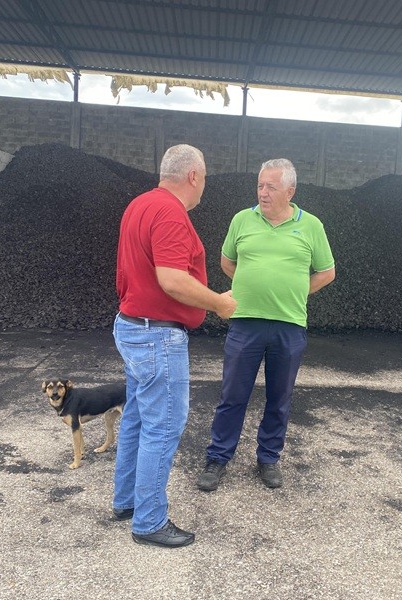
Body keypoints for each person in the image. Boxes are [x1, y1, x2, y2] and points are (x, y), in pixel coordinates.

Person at [112, 144, 236, 548]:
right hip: (157, 336)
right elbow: (172, 279)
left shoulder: (141, 204)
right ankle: (149, 522)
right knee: (162, 426)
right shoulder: (170, 212)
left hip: (132, 326)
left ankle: (126, 501)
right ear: (194, 176)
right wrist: (219, 303)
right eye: (205, 179)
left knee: (136, 418)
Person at [196, 158, 335, 492]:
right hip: (245, 324)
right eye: (260, 185)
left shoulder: (311, 225)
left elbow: (326, 272)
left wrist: (294, 292)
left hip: (288, 326)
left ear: (290, 190)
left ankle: (268, 458)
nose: (263, 192)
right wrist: (251, 287)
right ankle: (218, 457)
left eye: (271, 186)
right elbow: (227, 261)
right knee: (232, 395)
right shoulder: (243, 219)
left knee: (279, 397)